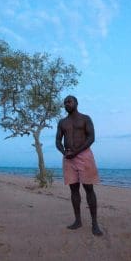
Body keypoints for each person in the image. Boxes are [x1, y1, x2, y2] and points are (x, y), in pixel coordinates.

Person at [56, 95, 103, 236]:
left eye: (69, 101)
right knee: (73, 189)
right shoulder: (62, 122)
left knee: (89, 188)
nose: (66, 104)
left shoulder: (85, 118)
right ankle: (78, 221)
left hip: (84, 155)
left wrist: (77, 151)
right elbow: (58, 140)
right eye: (65, 103)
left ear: (76, 103)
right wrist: (64, 152)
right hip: (68, 156)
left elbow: (91, 137)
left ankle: (95, 223)